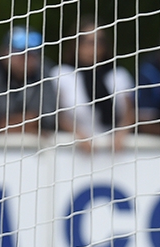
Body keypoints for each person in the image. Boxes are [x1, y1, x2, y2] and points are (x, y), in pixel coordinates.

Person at [54, 18, 135, 152]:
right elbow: (57, 113)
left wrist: (121, 134)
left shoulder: (118, 75)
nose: (95, 47)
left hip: (114, 149)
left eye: (100, 41)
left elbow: (129, 112)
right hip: (73, 149)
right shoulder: (62, 74)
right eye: (89, 42)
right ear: (76, 44)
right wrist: (78, 135)